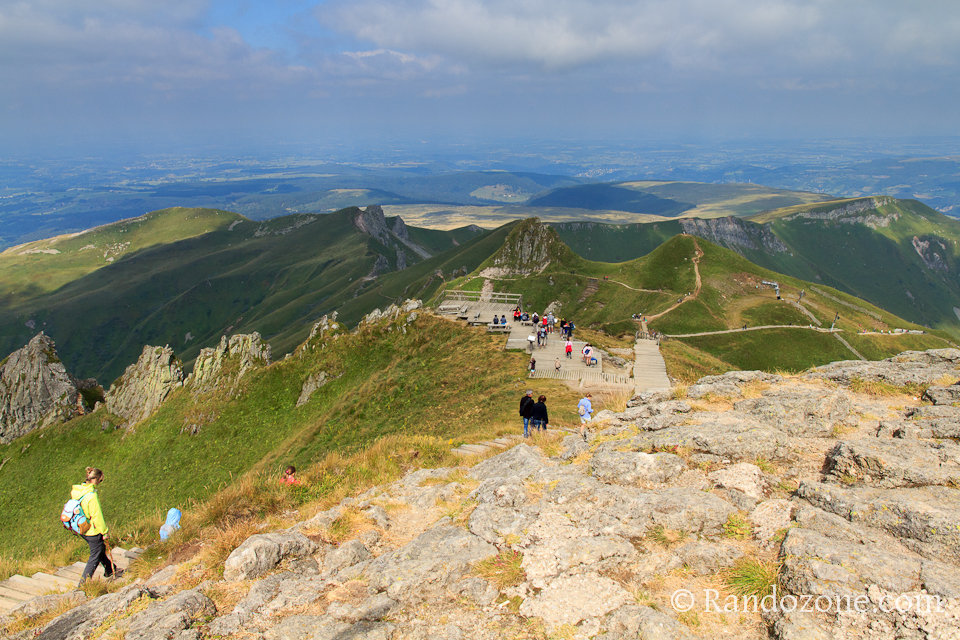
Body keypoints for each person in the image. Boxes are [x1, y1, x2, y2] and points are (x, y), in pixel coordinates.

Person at [73, 467, 117, 585]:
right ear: (96, 479)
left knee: (99, 549)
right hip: (91, 530)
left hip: (81, 527)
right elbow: (97, 516)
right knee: (95, 554)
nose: (100, 483)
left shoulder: (78, 491)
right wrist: (104, 532)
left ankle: (110, 569)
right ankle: (82, 584)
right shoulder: (91, 496)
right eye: (100, 480)